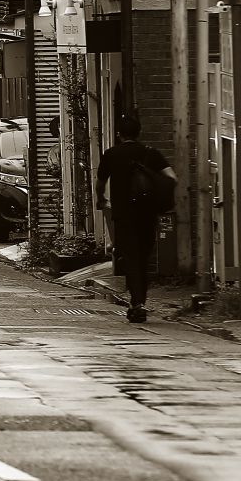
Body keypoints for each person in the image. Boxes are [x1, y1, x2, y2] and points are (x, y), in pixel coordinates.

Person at [95, 113, 176, 324]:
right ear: (139, 133)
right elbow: (171, 178)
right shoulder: (151, 153)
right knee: (143, 257)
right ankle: (140, 301)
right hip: (147, 214)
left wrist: (101, 200)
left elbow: (101, 182)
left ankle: (137, 303)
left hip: (123, 215)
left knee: (130, 258)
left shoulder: (111, 155)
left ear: (119, 134)